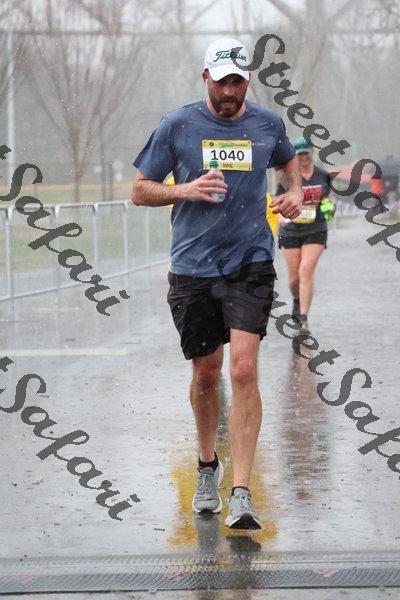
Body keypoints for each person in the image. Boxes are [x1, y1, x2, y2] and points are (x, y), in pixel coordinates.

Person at [131, 37, 302, 529]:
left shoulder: (267, 123)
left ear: (248, 81)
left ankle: (242, 492)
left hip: (250, 263)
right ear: (205, 76)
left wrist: (293, 191)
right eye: (222, 81)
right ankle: (207, 466)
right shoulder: (177, 124)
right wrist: (184, 189)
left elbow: (287, 162)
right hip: (193, 268)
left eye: (238, 82)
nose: (230, 92)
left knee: (244, 369)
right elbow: (139, 189)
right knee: (207, 374)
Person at [277, 136, 335, 335]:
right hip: (290, 230)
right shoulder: (287, 177)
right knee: (294, 279)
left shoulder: (322, 175)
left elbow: (326, 200)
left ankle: (303, 319)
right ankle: (297, 299)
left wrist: (329, 208)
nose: (303, 158)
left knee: (306, 269)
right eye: (299, 154)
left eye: (306, 154)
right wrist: (281, 217)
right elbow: (278, 201)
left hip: (315, 228)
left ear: (311, 153)